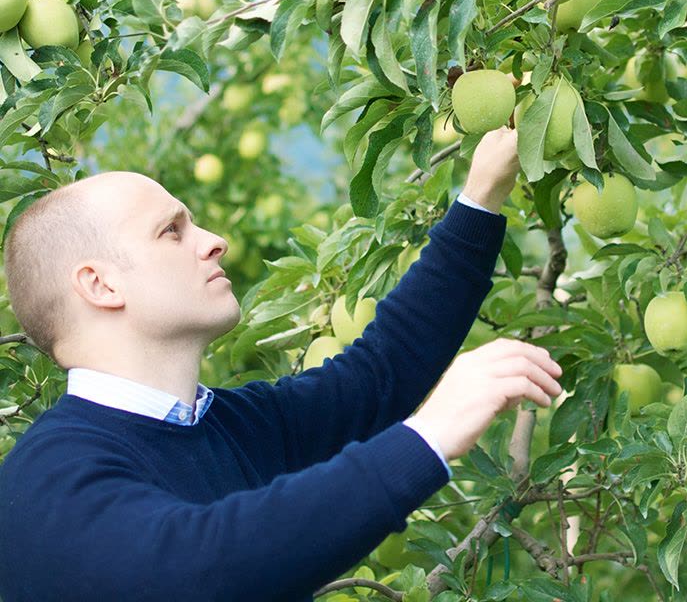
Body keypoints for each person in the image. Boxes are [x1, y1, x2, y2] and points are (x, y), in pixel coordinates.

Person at [0, 126, 563, 602]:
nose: (214, 241)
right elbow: (197, 569)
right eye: (171, 231)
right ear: (100, 284)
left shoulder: (234, 428)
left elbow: (378, 373)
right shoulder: (45, 481)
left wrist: (482, 195)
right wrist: (426, 438)